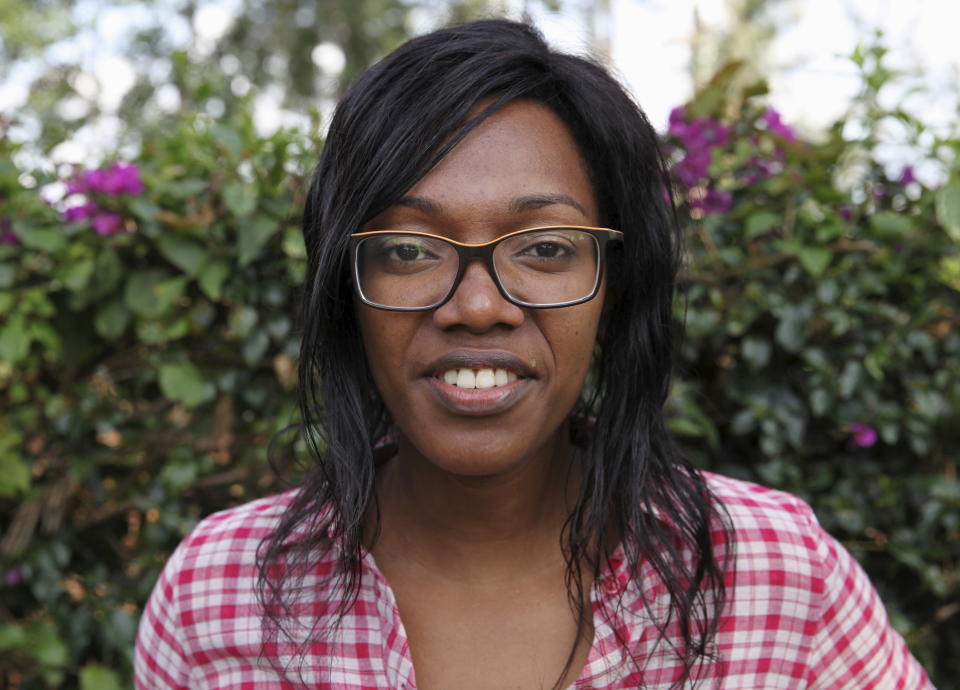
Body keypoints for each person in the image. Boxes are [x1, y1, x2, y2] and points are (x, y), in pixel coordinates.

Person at [134, 19, 934, 690]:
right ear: (346, 287)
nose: (477, 307)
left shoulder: (776, 575)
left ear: (612, 284)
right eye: (409, 250)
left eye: (545, 247)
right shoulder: (219, 592)